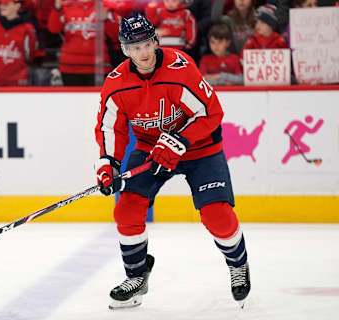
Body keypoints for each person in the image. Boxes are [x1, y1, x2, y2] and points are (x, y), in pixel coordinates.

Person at [94, 14, 251, 310]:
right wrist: (109, 164)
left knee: (215, 214)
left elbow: (211, 113)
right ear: (125, 50)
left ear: (155, 41)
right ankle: (137, 276)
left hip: (200, 148)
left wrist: (181, 139)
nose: (142, 53)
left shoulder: (180, 68)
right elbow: (109, 127)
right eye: (134, 47)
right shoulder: (116, 83)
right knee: (126, 209)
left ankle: (238, 265)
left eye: (146, 44)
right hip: (150, 150)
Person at [47, 0, 121, 86]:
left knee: (99, 99)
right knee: (73, 98)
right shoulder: (65, 6)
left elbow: (117, 36)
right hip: (70, 66)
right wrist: (57, 8)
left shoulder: (105, 7)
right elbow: (53, 29)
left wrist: (106, 20)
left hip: (99, 67)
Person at [0, 0, 38, 86]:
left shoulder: (27, 29)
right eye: (0, 3)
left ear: (17, 6)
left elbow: (30, 56)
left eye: (6, 4)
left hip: (15, 83)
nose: (1, 6)